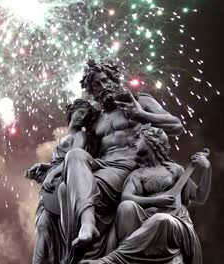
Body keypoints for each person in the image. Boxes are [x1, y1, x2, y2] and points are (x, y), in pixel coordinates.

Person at [59, 60, 183, 263]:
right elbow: (84, 152)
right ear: (92, 91)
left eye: (105, 80)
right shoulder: (95, 120)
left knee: (68, 190)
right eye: (96, 85)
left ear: (115, 79)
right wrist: (51, 168)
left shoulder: (139, 101)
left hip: (128, 167)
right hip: (103, 166)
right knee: (71, 165)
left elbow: (177, 125)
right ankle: (86, 228)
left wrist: (141, 115)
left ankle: (85, 239)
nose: (103, 86)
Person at [81, 125, 211, 264]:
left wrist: (207, 168)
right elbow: (126, 197)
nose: (134, 143)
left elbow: (200, 196)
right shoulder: (138, 174)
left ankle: (112, 260)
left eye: (139, 139)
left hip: (174, 223)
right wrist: (156, 201)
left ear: (152, 142)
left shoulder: (175, 170)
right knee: (126, 207)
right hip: (147, 220)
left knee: (161, 220)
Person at [26, 99, 97, 264]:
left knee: (55, 229)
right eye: (80, 112)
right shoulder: (66, 137)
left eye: (85, 116)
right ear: (71, 112)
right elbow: (58, 161)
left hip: (64, 182)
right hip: (52, 186)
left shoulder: (81, 135)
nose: (81, 117)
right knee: (42, 227)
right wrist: (44, 167)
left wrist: (52, 174)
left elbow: (74, 156)